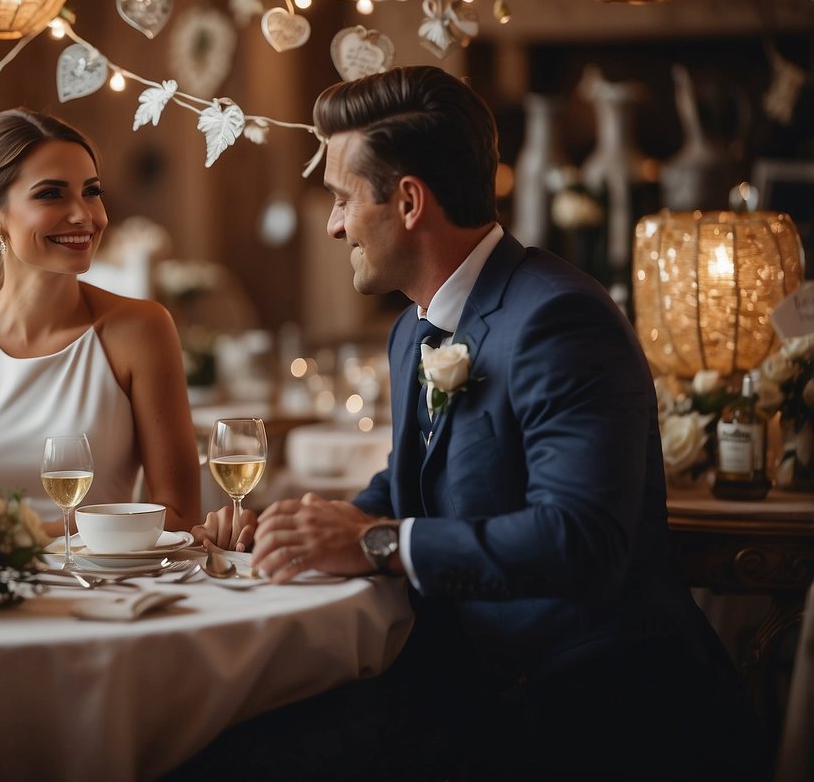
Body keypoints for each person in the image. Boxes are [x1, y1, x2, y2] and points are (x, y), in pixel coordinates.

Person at [181, 67, 763, 780]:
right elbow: (416, 485)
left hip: (596, 708)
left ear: (407, 202)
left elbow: (581, 538)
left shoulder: (557, 318)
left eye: (340, 199)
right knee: (212, 744)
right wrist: (301, 526)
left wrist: (372, 542)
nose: (333, 224)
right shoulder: (409, 330)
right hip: (467, 685)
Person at [0, 108, 201, 537]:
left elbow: (179, 515)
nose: (83, 215)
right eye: (51, 194)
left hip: (108, 590)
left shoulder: (142, 329)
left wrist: (17, 533)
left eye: (92, 191)